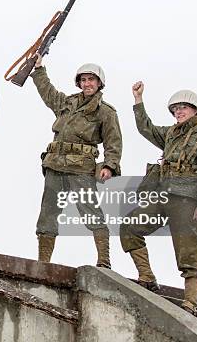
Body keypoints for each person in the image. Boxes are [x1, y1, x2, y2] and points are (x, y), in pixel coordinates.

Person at [120, 81, 197, 316]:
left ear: (195, 110)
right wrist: (138, 100)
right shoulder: (170, 135)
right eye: (175, 108)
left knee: (187, 252)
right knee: (130, 226)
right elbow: (146, 128)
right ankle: (146, 277)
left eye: (183, 107)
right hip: (162, 197)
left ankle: (191, 302)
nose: (178, 111)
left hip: (187, 201)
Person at [31, 54, 122, 267]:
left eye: (91, 79)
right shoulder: (67, 103)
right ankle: (43, 263)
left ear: (99, 83)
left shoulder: (106, 112)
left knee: (90, 211)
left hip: (81, 168)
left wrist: (110, 165)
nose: (87, 83)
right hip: (55, 165)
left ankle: (104, 260)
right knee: (48, 214)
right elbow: (48, 92)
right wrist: (38, 69)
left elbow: (113, 142)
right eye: (83, 80)